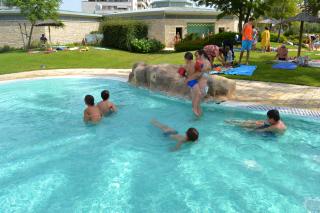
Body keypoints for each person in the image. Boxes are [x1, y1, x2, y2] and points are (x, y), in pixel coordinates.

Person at [183, 52, 203, 117]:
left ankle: (198, 115)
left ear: (186, 58)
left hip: (190, 82)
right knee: (199, 94)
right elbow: (200, 72)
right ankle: (194, 109)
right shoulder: (196, 63)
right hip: (193, 81)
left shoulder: (185, 65)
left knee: (195, 98)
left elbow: (182, 74)